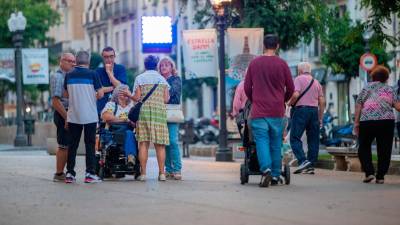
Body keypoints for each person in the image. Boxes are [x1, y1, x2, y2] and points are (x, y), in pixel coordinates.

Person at [244, 34, 294, 187]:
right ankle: (275, 175)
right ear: (277, 46)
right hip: (277, 111)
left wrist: (255, 100)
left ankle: (265, 169)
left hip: (259, 111)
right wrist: (283, 100)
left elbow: (247, 87)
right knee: (276, 142)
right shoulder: (283, 64)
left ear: (264, 46)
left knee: (261, 142)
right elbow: (291, 88)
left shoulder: (254, 64)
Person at [123, 55, 170, 181]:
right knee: (160, 144)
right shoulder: (162, 80)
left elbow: (137, 98)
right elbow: (166, 99)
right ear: (156, 65)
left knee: (143, 143)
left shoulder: (140, 78)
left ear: (145, 65)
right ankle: (162, 174)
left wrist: (129, 95)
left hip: (144, 113)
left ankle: (143, 174)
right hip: (159, 113)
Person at [354, 65, 400, 184]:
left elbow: (359, 105)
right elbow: (397, 106)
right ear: (386, 78)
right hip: (386, 121)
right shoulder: (390, 89)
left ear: (373, 77)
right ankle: (380, 176)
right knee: (385, 149)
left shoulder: (366, 88)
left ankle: (369, 172)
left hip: (367, 121)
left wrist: (356, 123)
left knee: (363, 147)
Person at [64, 51, 104, 184]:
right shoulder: (93, 74)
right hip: (90, 116)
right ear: (89, 61)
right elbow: (101, 94)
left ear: (76, 60)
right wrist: (92, 96)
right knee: (90, 145)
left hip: (73, 115)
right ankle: (90, 174)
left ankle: (70, 173)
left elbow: (65, 94)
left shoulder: (68, 75)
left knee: (73, 145)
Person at [288, 62, 325, 175]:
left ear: (300, 71)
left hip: (301, 111)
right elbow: (322, 101)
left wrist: (289, 104)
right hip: (314, 111)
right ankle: (311, 165)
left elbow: (295, 95)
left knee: (294, 137)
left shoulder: (298, 79)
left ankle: (303, 161)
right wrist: (320, 117)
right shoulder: (316, 82)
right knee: (313, 139)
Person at [49, 52, 76, 182]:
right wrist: (66, 117)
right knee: (64, 145)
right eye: (70, 61)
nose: (73, 64)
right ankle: (59, 174)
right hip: (63, 113)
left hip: (71, 113)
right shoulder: (57, 77)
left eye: (74, 61)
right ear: (62, 61)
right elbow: (55, 101)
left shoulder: (70, 76)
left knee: (69, 144)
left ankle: (67, 172)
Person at [158, 57, 183, 180]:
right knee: (164, 142)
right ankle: (168, 169)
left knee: (173, 141)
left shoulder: (176, 79)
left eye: (166, 65)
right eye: (162, 65)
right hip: (160, 112)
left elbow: (173, 93)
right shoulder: (158, 80)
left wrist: (161, 88)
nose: (164, 67)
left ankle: (177, 169)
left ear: (172, 67)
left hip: (172, 112)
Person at [101, 84, 136, 163]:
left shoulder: (132, 106)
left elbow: (135, 122)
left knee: (129, 133)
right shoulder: (111, 105)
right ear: (117, 94)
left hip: (128, 131)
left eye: (128, 91)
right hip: (114, 132)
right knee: (127, 133)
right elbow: (106, 117)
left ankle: (131, 157)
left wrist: (130, 122)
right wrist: (125, 120)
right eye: (123, 91)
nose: (126, 93)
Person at [96, 47, 127, 115]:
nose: (109, 59)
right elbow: (99, 90)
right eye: (106, 57)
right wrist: (114, 87)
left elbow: (121, 87)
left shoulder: (120, 68)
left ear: (115, 56)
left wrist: (109, 73)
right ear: (103, 58)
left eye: (111, 56)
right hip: (102, 107)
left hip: (118, 107)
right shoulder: (98, 71)